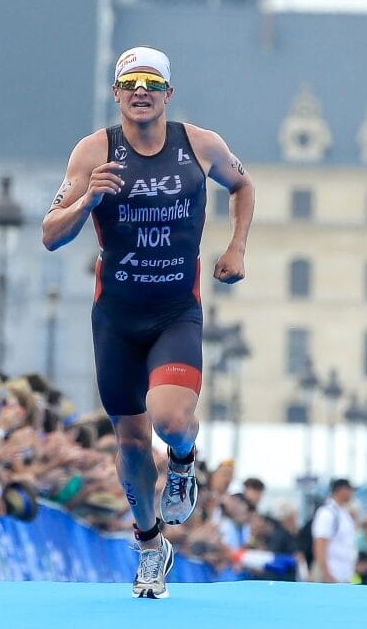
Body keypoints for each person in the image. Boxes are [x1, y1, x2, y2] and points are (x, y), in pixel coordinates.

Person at [41, 46, 255, 598]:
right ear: (116, 94)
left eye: (151, 83)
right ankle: (149, 543)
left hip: (174, 311)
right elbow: (50, 233)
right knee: (131, 441)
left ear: (168, 93)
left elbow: (243, 186)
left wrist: (236, 248)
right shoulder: (94, 151)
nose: (141, 92)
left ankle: (183, 461)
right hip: (115, 317)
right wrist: (90, 197)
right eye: (130, 83)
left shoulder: (200, 144)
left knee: (170, 418)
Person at [311, 478, 358, 583]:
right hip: (332, 573)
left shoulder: (343, 513)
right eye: (350, 490)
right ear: (342, 490)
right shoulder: (327, 513)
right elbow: (320, 545)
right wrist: (326, 573)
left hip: (344, 574)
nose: (352, 494)